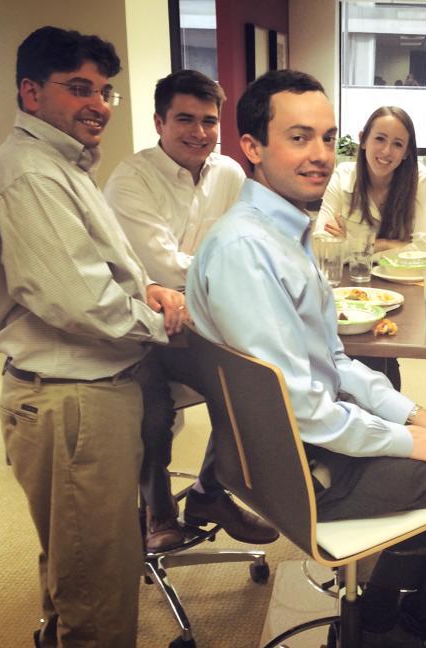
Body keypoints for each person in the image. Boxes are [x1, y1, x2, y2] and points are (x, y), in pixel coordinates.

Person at [185, 69, 426, 648]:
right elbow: (300, 408)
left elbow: (334, 362)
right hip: (302, 474)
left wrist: (423, 420)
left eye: (328, 138)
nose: (320, 155)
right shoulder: (246, 251)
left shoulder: (278, 234)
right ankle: (423, 627)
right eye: (299, 137)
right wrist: (410, 442)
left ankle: (380, 613)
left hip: (309, 448)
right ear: (251, 147)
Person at [0, 26, 188, 647]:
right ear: (30, 93)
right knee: (98, 582)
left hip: (87, 392)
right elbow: (77, 300)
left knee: (80, 558)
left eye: (106, 91)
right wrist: (174, 323)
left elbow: (102, 267)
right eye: (79, 88)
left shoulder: (61, 165)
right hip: (72, 399)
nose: (98, 103)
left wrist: (150, 290)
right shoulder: (29, 177)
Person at [104, 69, 277, 552]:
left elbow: (251, 239)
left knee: (258, 384)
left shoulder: (228, 173)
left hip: (203, 320)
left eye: (208, 120)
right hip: (142, 328)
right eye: (185, 119)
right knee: (152, 411)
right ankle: (157, 512)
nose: (199, 133)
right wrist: (219, 269)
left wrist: (210, 277)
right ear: (159, 121)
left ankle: (209, 493)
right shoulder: (131, 180)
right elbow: (161, 262)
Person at [314, 105, 426, 389]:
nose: (386, 151)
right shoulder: (342, 176)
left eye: (397, 144)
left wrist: (353, 243)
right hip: (347, 288)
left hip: (398, 291)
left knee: (381, 356)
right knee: (349, 353)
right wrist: (389, 245)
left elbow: (423, 250)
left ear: (406, 152)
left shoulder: (418, 178)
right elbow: (322, 246)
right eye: (379, 138)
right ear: (363, 139)